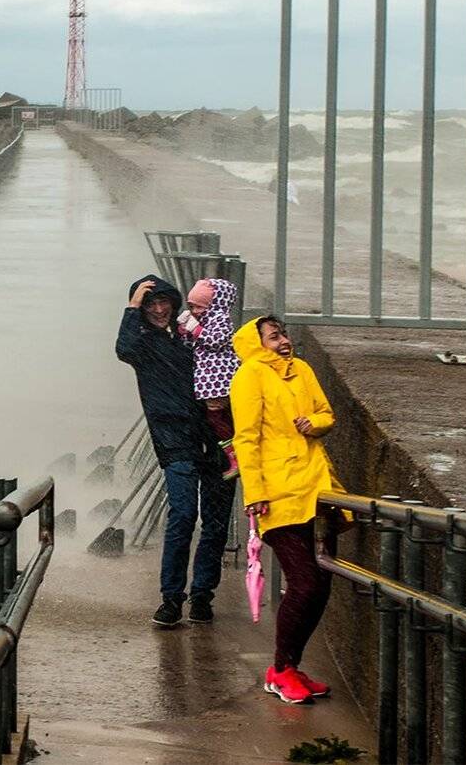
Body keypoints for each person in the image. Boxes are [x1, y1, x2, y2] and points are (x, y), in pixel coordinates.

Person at [229, 315, 345, 705]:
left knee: (322, 584)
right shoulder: (249, 376)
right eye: (274, 336)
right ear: (257, 343)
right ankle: (279, 671)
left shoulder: (303, 370)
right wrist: (254, 493)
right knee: (305, 582)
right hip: (278, 494)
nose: (283, 341)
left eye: (284, 334)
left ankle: (291, 667)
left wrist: (314, 423)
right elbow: (246, 439)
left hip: (317, 489)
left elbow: (327, 414)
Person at [115, 275, 235, 627]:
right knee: (182, 514)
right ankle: (171, 598)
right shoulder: (143, 346)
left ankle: (202, 596)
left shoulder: (190, 336)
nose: (158, 309)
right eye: (150, 304)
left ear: (174, 303)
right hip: (174, 438)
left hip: (217, 437)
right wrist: (131, 306)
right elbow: (123, 348)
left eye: (163, 301)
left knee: (215, 521)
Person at [176, 278, 242, 478]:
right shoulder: (205, 320)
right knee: (218, 417)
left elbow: (215, 341)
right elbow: (193, 345)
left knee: (217, 416)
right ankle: (235, 452)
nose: (195, 311)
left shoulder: (221, 319)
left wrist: (194, 328)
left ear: (212, 304)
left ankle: (235, 453)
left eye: (199, 306)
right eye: (192, 306)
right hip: (209, 379)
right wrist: (184, 332)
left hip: (219, 378)